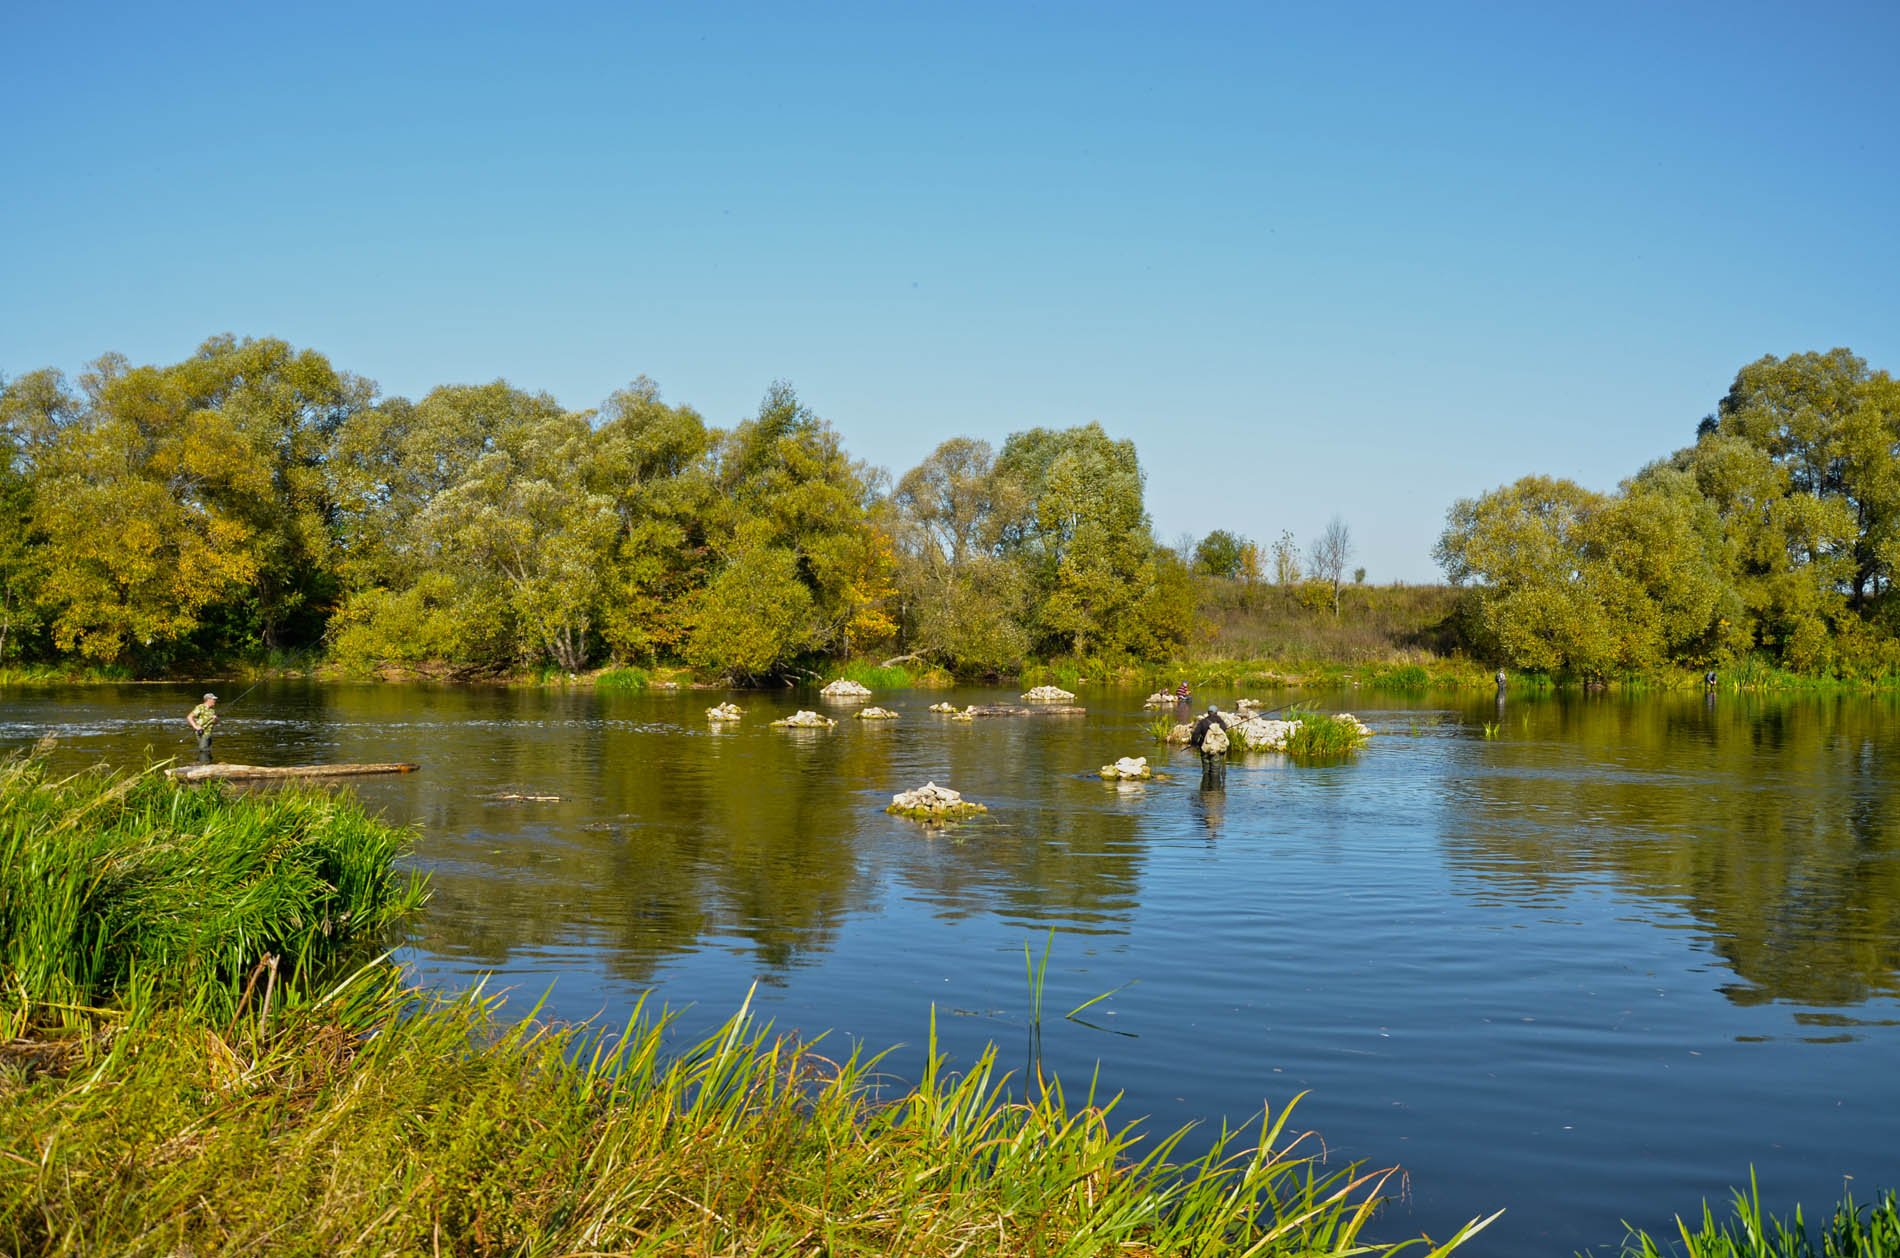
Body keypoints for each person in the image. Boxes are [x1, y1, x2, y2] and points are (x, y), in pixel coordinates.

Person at [186, 692, 218, 759]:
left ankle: (207, 764)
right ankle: (203, 764)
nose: (215, 701)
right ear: (208, 700)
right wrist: (196, 727)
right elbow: (189, 717)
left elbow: (215, 723)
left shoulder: (212, 710)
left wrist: (215, 719)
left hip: (209, 732)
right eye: (213, 699)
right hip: (201, 732)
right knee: (203, 749)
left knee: (207, 749)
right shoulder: (200, 707)